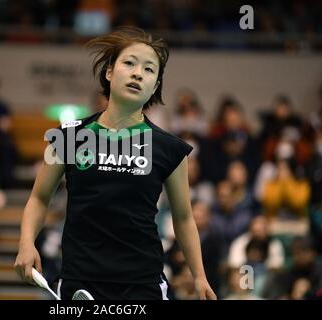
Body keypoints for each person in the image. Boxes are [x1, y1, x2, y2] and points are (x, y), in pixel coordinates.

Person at [14, 27, 216, 300]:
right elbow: (39, 197)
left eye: (148, 70)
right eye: (129, 63)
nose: (137, 74)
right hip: (80, 279)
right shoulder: (67, 137)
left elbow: (183, 217)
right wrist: (27, 243)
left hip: (142, 284)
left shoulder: (169, 148)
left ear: (155, 86)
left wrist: (199, 276)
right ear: (109, 73)